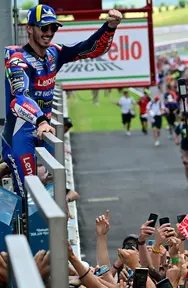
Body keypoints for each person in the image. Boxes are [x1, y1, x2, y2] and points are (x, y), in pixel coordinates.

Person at [1, 4, 122, 199]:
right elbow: (19, 98)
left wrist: (109, 27)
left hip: (44, 130)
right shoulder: (17, 58)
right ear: (29, 28)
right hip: (20, 133)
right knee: (28, 197)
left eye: (53, 28)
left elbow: (89, 49)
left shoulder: (54, 53)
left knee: (62, 191)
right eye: (44, 28)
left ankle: (8, 167)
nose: (49, 33)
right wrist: (40, 120)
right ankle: (11, 165)